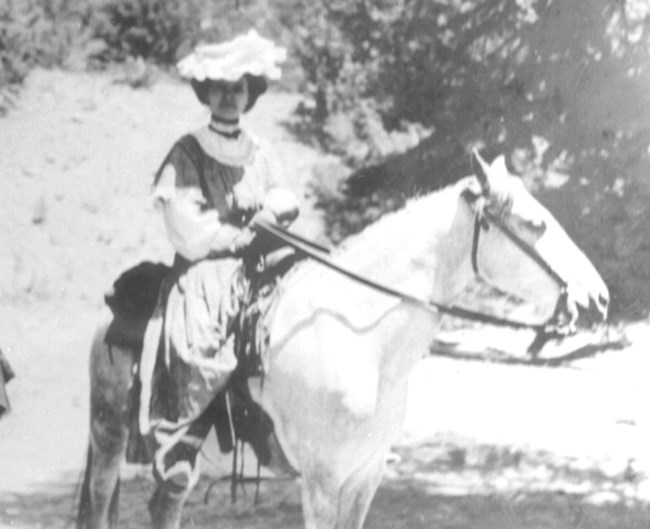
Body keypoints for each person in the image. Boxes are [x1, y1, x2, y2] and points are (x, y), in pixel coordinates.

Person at [139, 30, 300, 527]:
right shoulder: (188, 151)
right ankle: (180, 451)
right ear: (206, 93)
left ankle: (275, 425)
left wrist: (274, 212)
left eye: (239, 87)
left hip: (258, 262)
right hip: (208, 272)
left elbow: (284, 195)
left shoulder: (259, 148)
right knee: (199, 339)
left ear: (251, 93)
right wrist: (235, 235)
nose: (230, 95)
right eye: (220, 87)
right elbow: (185, 228)